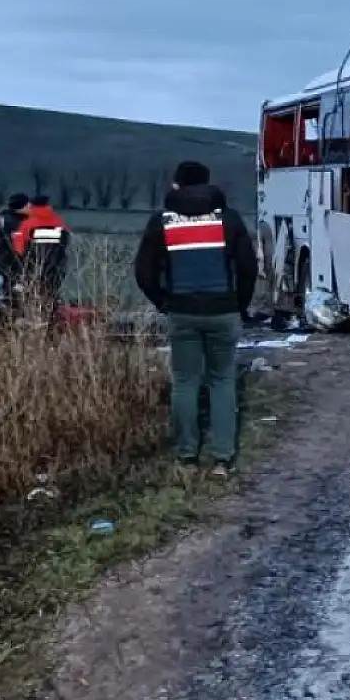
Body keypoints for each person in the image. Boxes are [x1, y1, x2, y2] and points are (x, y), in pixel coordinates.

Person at [134, 161, 257, 478]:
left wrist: (163, 302)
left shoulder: (161, 222)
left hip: (182, 312)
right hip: (223, 310)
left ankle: (186, 456)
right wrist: (238, 304)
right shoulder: (228, 220)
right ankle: (222, 458)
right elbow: (247, 268)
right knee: (222, 380)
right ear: (207, 183)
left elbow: (144, 271)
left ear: (177, 185)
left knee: (186, 382)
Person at [11, 196, 70, 323]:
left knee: (28, 302)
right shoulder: (60, 222)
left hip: (33, 271)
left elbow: (19, 249)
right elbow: (64, 245)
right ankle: (50, 325)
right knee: (49, 301)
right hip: (54, 271)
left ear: (32, 206)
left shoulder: (27, 224)